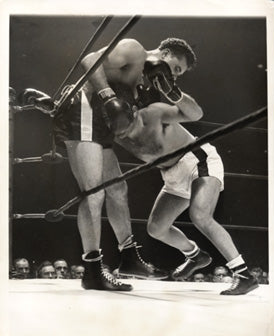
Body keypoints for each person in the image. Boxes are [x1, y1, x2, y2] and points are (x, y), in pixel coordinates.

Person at [20, 37, 197, 291]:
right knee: (93, 194)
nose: (175, 76)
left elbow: (195, 115)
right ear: (165, 53)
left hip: (98, 122)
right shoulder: (134, 50)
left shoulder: (148, 81)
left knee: (117, 189)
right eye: (176, 68)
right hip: (85, 111)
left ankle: (129, 258)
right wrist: (107, 96)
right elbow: (90, 60)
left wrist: (173, 91)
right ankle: (92, 270)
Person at [113, 58, 259, 295]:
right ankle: (195, 255)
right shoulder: (117, 134)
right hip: (170, 174)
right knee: (157, 228)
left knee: (201, 215)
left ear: (132, 111)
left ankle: (243, 274)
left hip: (197, 160)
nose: (126, 132)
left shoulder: (154, 113)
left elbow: (196, 113)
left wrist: (174, 92)